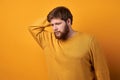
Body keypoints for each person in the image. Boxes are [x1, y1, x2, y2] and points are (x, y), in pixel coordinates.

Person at [28, 6, 110, 80]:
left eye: (58, 23)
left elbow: (102, 71)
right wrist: (51, 17)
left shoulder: (90, 40)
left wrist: (58, 16)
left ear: (68, 21)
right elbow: (32, 28)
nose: (54, 28)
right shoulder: (48, 40)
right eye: (52, 24)